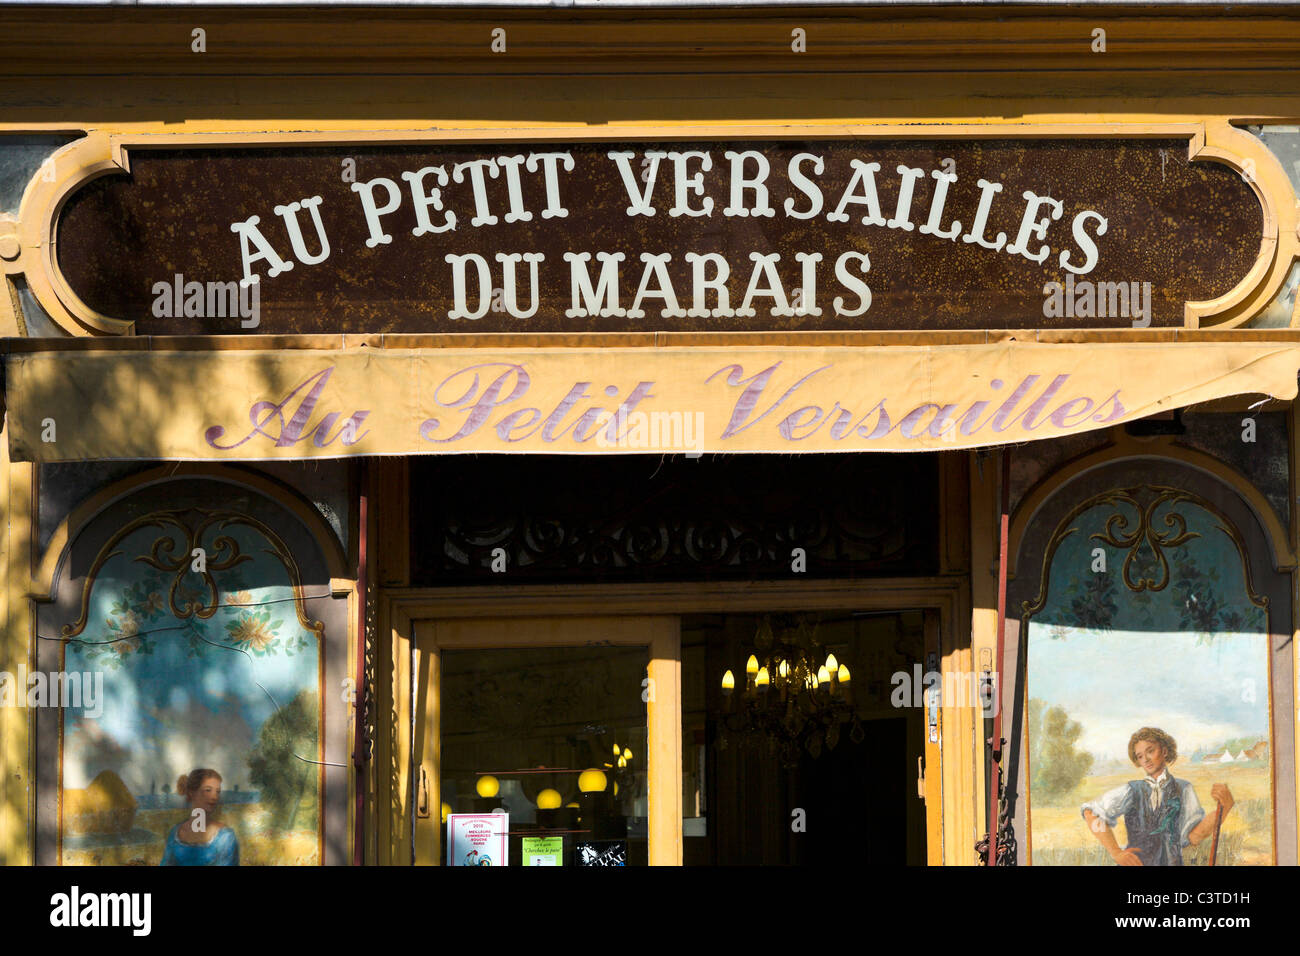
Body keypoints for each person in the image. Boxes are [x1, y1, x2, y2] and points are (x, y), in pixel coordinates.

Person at [1081, 727, 1233, 866]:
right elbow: (1091, 813)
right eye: (1140, 756)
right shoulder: (1132, 790)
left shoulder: (1183, 788)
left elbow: (1193, 836)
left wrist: (1224, 810)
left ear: (1164, 751)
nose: (1145, 759)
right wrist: (1116, 852)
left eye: (1150, 751)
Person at [160, 768, 240, 866]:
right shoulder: (176, 833)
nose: (214, 797)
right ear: (191, 793)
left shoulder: (225, 837)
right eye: (208, 790)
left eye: (217, 792)